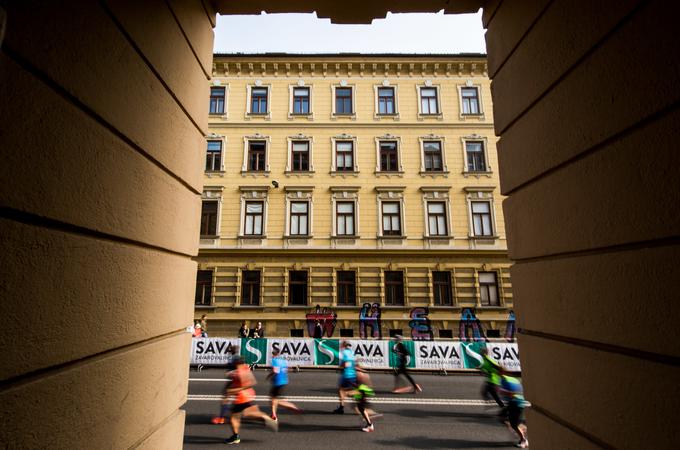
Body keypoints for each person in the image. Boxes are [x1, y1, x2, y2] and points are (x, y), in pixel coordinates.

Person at [223, 356, 278, 445]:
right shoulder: (246, 368)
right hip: (250, 395)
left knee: (234, 417)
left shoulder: (239, 373)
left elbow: (246, 383)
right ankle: (265, 419)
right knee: (246, 414)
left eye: (234, 363)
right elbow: (252, 382)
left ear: (237, 363)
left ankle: (236, 437)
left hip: (242, 397)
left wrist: (231, 391)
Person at [266, 348, 302, 421]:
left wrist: (269, 376)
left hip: (277, 381)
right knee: (274, 398)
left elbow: (275, 371)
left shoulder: (274, 360)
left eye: (273, 353)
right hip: (284, 381)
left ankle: (291, 407)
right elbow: (286, 369)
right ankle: (274, 415)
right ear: (279, 353)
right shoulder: (283, 361)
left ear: (273, 354)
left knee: (274, 399)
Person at [499, 369, 529, 448]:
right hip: (516, 402)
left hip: (515, 403)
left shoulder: (504, 380)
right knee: (502, 417)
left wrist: (503, 391)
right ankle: (521, 428)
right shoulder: (513, 379)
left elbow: (512, 393)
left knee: (514, 424)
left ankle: (524, 440)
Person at [351, 364, 380, 432]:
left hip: (363, 392)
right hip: (364, 392)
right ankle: (370, 421)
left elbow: (360, 385)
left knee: (361, 408)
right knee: (360, 408)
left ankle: (370, 424)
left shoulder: (359, 374)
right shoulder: (364, 373)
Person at [333, 341, 357, 414]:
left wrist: (340, 367)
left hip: (347, 375)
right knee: (342, 390)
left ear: (344, 346)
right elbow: (355, 363)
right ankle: (342, 407)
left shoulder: (345, 353)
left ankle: (341, 408)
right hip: (353, 375)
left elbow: (346, 364)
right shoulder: (352, 353)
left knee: (342, 391)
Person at [479, 347, 505, 411]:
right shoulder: (485, 359)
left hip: (493, 380)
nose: (480, 353)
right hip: (491, 379)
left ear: (484, 353)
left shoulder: (488, 359)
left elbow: (497, 367)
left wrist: (499, 373)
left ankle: (493, 403)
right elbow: (485, 367)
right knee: (493, 395)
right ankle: (502, 407)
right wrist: (481, 368)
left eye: (481, 351)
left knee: (485, 392)